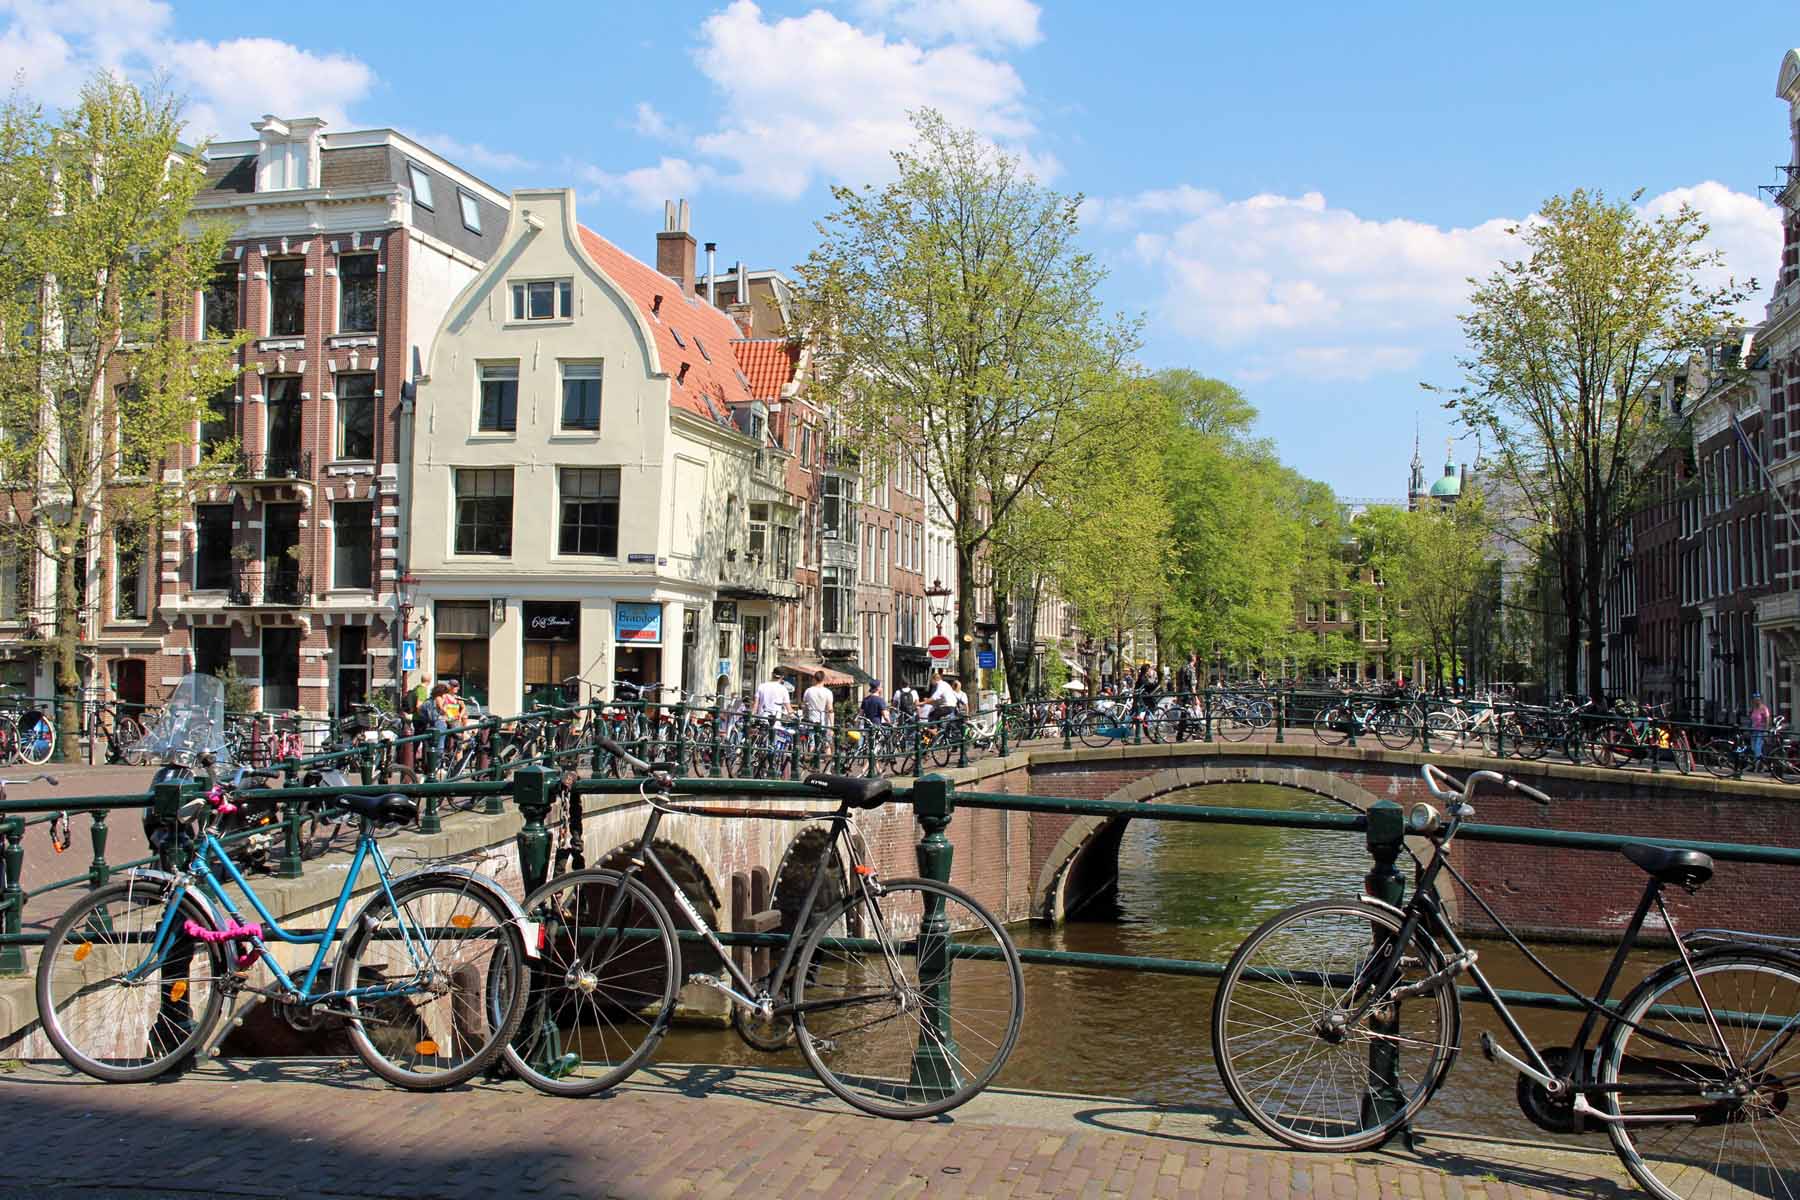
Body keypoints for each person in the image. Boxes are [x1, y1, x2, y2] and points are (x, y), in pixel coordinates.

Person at [1749, 692, 1772, 761]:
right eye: (1755, 699)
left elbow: (1767, 719)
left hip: (1761, 730)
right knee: (1753, 747)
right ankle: (1761, 762)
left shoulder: (1764, 708)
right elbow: (1751, 719)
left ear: (1760, 700)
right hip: (1753, 730)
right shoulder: (1753, 708)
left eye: (1758, 699)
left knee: (1757, 747)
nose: (1756, 701)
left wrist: (1766, 730)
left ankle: (1757, 765)